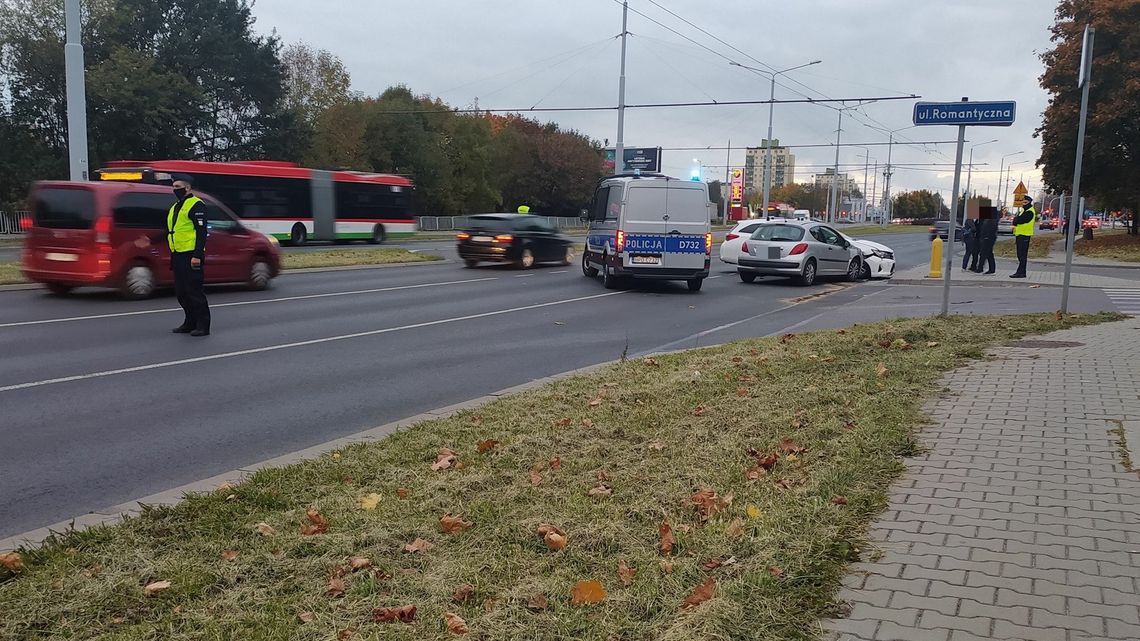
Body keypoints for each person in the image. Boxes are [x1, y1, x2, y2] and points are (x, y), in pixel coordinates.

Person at [167, 174, 211, 336]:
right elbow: (171, 230)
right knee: (182, 292)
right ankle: (189, 321)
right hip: (177, 255)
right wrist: (149, 240)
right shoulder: (176, 207)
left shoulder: (196, 205)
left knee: (194, 292)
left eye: (178, 187)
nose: (175, 189)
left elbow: (201, 232)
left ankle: (203, 325)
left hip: (191, 255)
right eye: (174, 186)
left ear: (188, 188)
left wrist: (197, 255)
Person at [1009, 196, 1037, 279]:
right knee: (1020, 255)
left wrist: (1016, 219)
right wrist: (1016, 219)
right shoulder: (1023, 211)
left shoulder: (1030, 212)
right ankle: (1021, 272)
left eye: (1025, 203)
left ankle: (1020, 273)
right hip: (1020, 234)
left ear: (1029, 203)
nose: (1023, 204)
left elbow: (1020, 220)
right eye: (1023, 202)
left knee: (1022, 255)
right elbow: (1017, 219)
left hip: (1025, 235)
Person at [977, 206, 998, 274]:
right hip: (987, 238)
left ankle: (980, 268)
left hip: (988, 238)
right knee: (989, 254)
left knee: (983, 253)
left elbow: (990, 230)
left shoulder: (992, 220)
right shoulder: (988, 219)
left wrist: (986, 237)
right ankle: (992, 269)